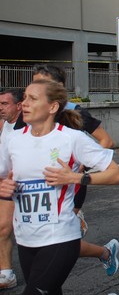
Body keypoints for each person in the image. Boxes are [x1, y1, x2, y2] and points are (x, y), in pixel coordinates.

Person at [0, 79, 119, 294]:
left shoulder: (71, 138)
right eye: (24, 98)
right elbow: (3, 176)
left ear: (52, 107)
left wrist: (77, 178)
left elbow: (116, 174)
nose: (24, 104)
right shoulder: (12, 140)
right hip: (26, 239)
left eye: (32, 98)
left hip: (60, 237)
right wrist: (4, 187)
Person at [30, 64, 119, 276]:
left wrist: (82, 165)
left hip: (71, 186)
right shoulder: (31, 112)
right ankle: (104, 252)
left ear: (58, 87)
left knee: (55, 246)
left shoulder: (74, 112)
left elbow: (106, 141)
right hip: (40, 185)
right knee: (48, 243)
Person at [0, 88, 23, 290]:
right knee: (3, 227)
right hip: (6, 183)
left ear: (18, 106)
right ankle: (6, 273)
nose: (0, 108)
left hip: (26, 186)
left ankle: (102, 251)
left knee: (45, 239)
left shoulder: (28, 125)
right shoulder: (4, 125)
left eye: (5, 104)